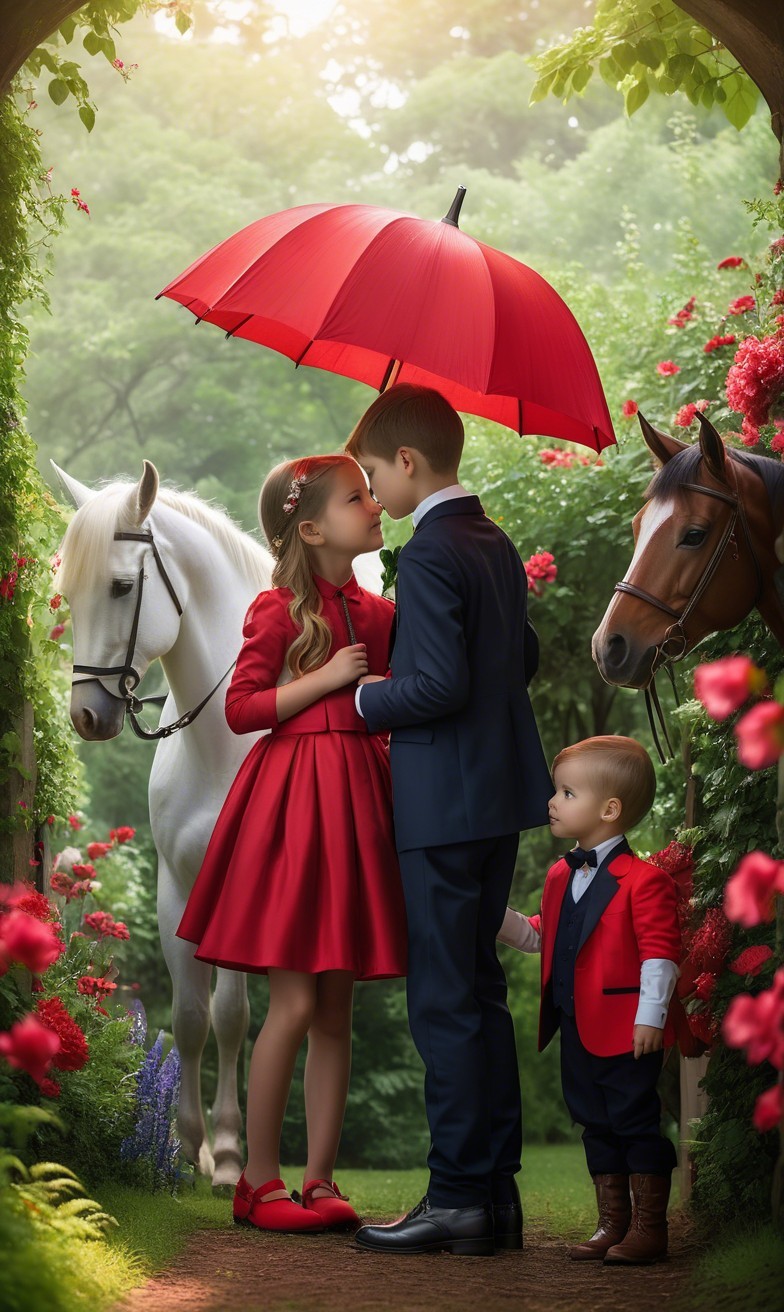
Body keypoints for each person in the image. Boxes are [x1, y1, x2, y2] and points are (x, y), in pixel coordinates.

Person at [345, 384, 552, 1257]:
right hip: (497, 794)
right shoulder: (493, 541)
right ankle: (493, 1198)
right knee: (478, 994)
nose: (373, 496)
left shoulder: (431, 550)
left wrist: (357, 696)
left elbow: (435, 687)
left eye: (371, 477)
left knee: (443, 1002)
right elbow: (523, 657)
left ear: (407, 463)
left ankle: (459, 1196)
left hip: (442, 802)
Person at [177, 453, 407, 1235]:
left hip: (356, 806)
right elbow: (243, 710)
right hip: (293, 808)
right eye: (357, 497)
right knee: (296, 999)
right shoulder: (275, 609)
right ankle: (259, 1181)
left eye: (372, 494)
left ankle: (319, 1180)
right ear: (310, 528)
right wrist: (329, 679)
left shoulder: (379, 615)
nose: (374, 504)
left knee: (337, 1007)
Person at [498, 735, 681, 1265]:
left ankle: (650, 1228)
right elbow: (544, 936)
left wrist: (651, 1016)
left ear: (610, 809)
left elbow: (659, 955)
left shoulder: (644, 881)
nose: (552, 802)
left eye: (566, 793)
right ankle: (612, 1223)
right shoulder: (560, 875)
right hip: (576, 1027)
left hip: (627, 1030)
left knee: (635, 1120)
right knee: (593, 1121)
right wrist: (493, 916)